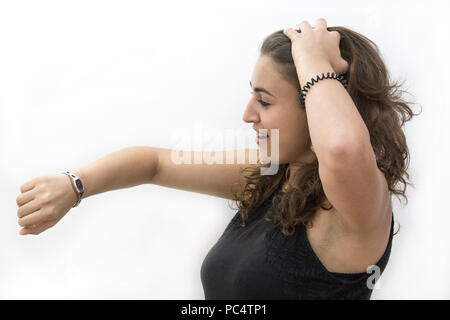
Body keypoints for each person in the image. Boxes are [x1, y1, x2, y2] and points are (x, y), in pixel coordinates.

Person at [15, 18, 418, 299]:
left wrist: (312, 58)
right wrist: (75, 184)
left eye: (264, 99)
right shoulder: (274, 176)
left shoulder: (357, 205)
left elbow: (342, 148)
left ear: (316, 103)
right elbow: (153, 163)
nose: (247, 114)